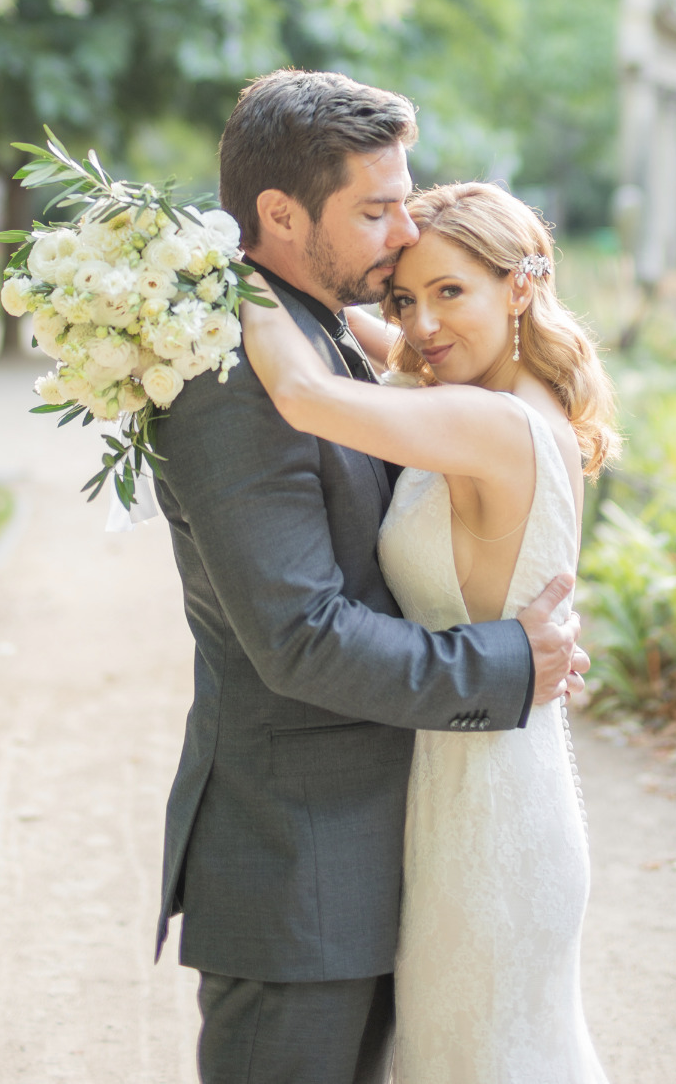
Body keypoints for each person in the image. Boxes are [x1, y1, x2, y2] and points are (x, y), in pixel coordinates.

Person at [151, 70, 588, 1084]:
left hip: (404, 842)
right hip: (296, 867)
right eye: (376, 209)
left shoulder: (339, 338)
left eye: (407, 203)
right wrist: (508, 662)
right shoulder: (235, 373)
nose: (401, 235)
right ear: (278, 213)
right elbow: (300, 633)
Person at [241, 179, 616, 1083]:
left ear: (521, 285)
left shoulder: (486, 421)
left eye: (452, 291)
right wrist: (392, 317)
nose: (422, 323)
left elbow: (300, 390)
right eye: (407, 297)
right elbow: (370, 345)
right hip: (480, 774)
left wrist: (216, 268)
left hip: (490, 815)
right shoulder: (494, 395)